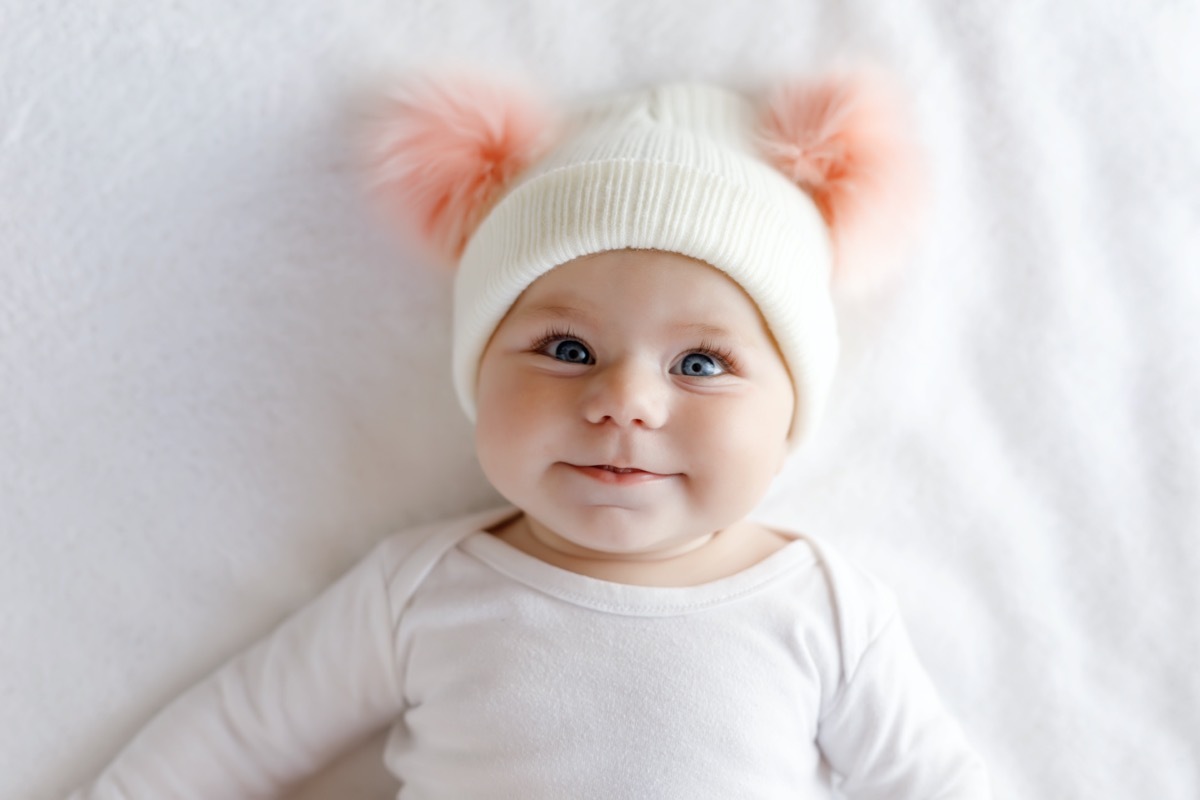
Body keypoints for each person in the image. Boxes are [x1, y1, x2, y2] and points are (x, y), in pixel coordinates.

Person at [69, 69, 990, 799]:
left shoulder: (824, 612)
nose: (626, 402)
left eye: (700, 365)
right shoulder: (421, 591)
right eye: (567, 347)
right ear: (479, 372)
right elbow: (238, 733)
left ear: (793, 410)